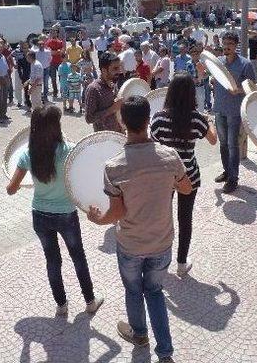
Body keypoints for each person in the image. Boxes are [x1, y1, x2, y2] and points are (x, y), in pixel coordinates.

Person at [87, 96, 192, 363]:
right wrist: (169, 183)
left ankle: (140, 334)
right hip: (162, 241)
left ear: (122, 122)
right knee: (154, 292)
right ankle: (165, 351)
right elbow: (187, 187)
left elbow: (118, 213)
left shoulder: (114, 167)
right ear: (148, 120)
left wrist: (97, 220)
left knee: (134, 291)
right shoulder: (170, 156)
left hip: (131, 244)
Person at [6, 106, 103, 317]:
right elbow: (85, 179)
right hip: (66, 215)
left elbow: (11, 190)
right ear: (56, 126)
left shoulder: (27, 154)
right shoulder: (70, 150)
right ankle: (90, 300)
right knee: (78, 257)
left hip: (40, 215)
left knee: (52, 260)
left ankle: (61, 305)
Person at [150, 74, 216, 277]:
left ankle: (160, 261)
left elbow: (152, 144)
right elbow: (213, 141)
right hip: (189, 175)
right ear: (191, 94)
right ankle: (181, 262)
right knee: (185, 219)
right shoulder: (197, 119)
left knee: (162, 218)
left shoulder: (159, 118)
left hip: (164, 177)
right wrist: (209, 122)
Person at [212, 32, 256, 193]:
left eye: (230, 43)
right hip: (219, 108)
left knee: (233, 145)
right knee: (223, 144)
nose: (226, 46)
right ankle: (227, 171)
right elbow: (213, 80)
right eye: (224, 43)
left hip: (234, 111)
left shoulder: (245, 64)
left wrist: (238, 91)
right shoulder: (218, 63)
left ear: (236, 45)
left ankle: (233, 178)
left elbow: (252, 87)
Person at [84, 51, 123, 133]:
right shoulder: (93, 89)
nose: (119, 71)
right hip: (104, 140)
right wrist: (111, 109)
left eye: (119, 67)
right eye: (115, 68)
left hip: (119, 135)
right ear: (104, 70)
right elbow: (89, 118)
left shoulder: (113, 84)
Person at [47, 29, 65, 98]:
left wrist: (55, 51)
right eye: (52, 33)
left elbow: (62, 51)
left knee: (61, 78)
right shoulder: (48, 42)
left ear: (57, 34)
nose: (53, 34)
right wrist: (57, 51)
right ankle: (55, 92)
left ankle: (62, 91)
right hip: (51, 63)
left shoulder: (60, 42)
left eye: (54, 32)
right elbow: (50, 52)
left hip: (59, 62)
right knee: (53, 78)